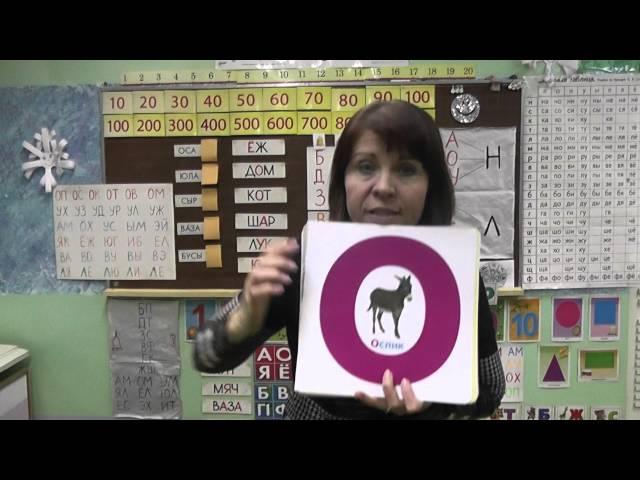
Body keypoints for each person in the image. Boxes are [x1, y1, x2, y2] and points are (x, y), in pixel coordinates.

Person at [194, 100, 505, 419]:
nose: (384, 187)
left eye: (406, 169)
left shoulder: (457, 272)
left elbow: (491, 389)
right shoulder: (307, 261)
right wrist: (243, 320)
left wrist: (432, 409)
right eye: (366, 167)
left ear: (431, 185)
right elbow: (204, 355)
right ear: (343, 180)